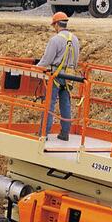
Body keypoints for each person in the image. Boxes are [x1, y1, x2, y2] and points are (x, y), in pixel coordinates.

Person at [37, 11, 79, 141]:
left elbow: (47, 60)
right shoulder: (75, 39)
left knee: (49, 104)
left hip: (55, 75)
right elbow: (76, 60)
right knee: (65, 103)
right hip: (69, 77)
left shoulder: (55, 40)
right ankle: (65, 133)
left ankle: (44, 133)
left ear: (56, 25)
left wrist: (35, 68)